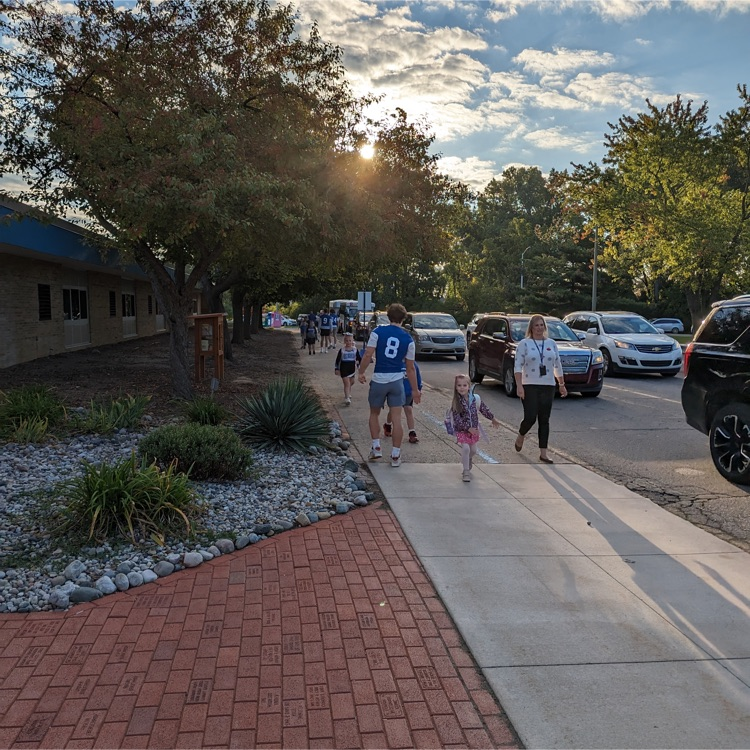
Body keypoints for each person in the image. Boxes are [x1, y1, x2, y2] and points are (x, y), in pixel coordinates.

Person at [358, 303, 421, 467]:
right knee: (396, 419)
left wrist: (361, 372)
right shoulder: (408, 339)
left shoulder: (377, 332)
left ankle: (376, 446)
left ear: (388, 316)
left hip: (379, 378)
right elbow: (410, 368)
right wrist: (415, 390)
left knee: (374, 413)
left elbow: (368, 355)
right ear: (403, 319)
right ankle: (395, 455)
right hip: (397, 381)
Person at [513, 314, 567, 463]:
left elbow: (557, 365)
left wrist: (561, 384)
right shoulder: (524, 344)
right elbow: (518, 366)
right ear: (531, 327)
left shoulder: (551, 343)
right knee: (530, 417)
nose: (539, 328)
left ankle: (543, 453)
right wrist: (519, 386)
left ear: (545, 327)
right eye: (536, 325)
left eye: (541, 325)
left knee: (544, 419)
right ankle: (521, 434)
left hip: (548, 385)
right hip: (529, 384)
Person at [447, 374, 500, 482]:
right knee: (466, 449)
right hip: (462, 430)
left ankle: (469, 459)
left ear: (469, 386)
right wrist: (467, 428)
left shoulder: (475, 399)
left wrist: (492, 418)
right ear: (456, 387)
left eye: (464, 385)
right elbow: (457, 420)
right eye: (459, 385)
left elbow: (484, 409)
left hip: (474, 430)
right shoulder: (456, 403)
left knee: (473, 450)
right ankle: (466, 471)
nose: (462, 388)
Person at [383, 361, 422, 443]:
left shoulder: (412, 364)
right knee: (393, 411)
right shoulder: (394, 363)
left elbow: (417, 377)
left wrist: (418, 389)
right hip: (396, 392)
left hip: (408, 392)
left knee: (408, 409)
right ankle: (388, 424)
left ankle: (412, 432)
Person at [334, 332, 362, 405]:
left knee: (351, 382)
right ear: (344, 341)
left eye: (350, 340)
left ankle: (348, 392)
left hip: (352, 369)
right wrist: (337, 369)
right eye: (347, 340)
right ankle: (347, 398)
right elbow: (337, 360)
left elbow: (359, 359)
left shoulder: (355, 350)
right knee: (347, 383)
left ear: (352, 341)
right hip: (344, 368)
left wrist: (359, 367)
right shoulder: (342, 350)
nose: (348, 342)